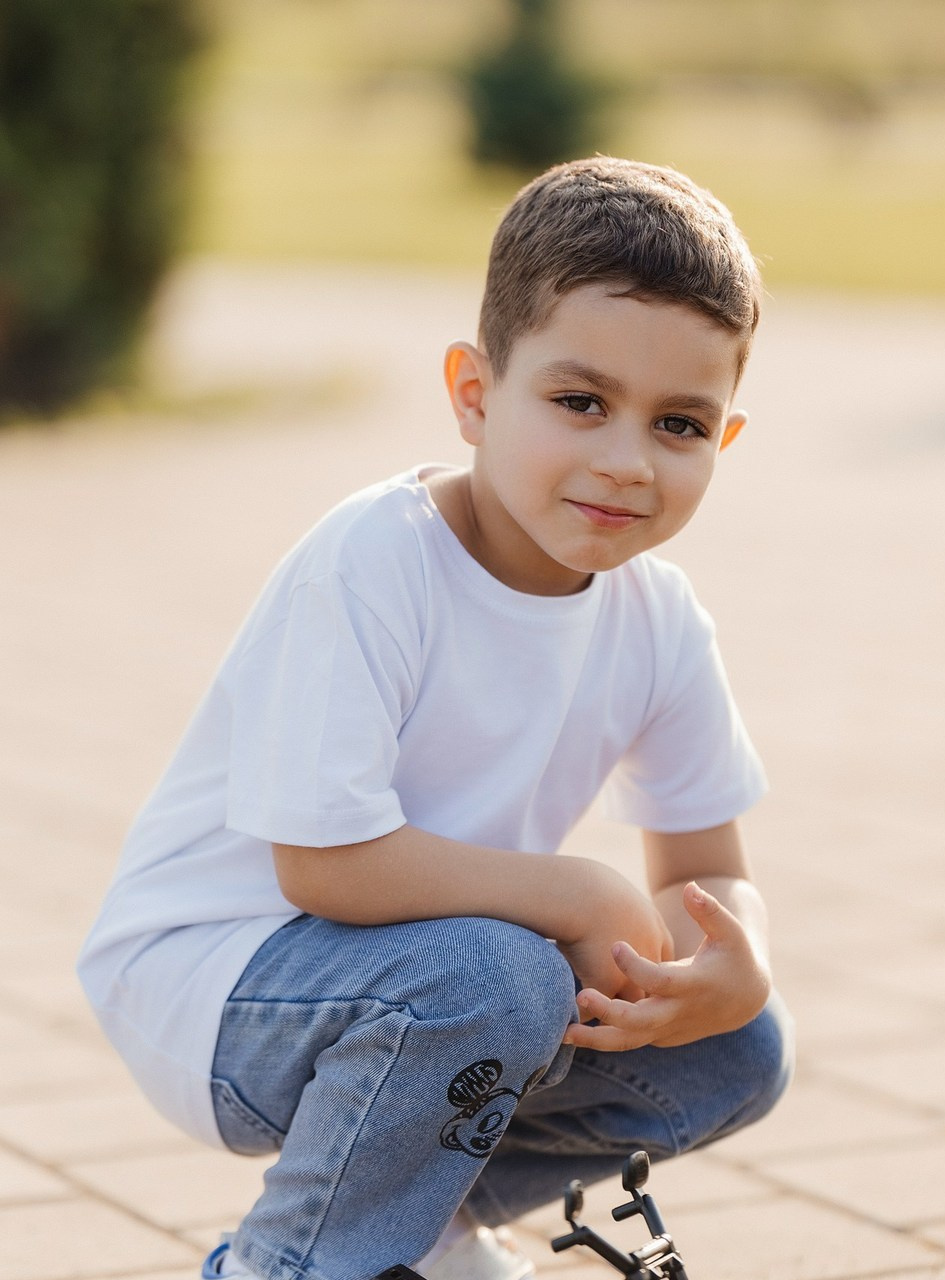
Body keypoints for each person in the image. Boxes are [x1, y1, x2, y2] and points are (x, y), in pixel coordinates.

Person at [78, 156, 793, 1280]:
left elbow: (705, 868)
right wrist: (579, 894)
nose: (625, 461)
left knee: (736, 1046)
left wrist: (734, 957)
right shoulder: (377, 560)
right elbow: (324, 865)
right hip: (220, 983)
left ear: (724, 441)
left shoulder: (657, 618)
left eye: (678, 424)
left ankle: (420, 1224)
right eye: (580, 402)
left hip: (430, 984)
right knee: (499, 975)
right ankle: (291, 1263)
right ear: (473, 394)